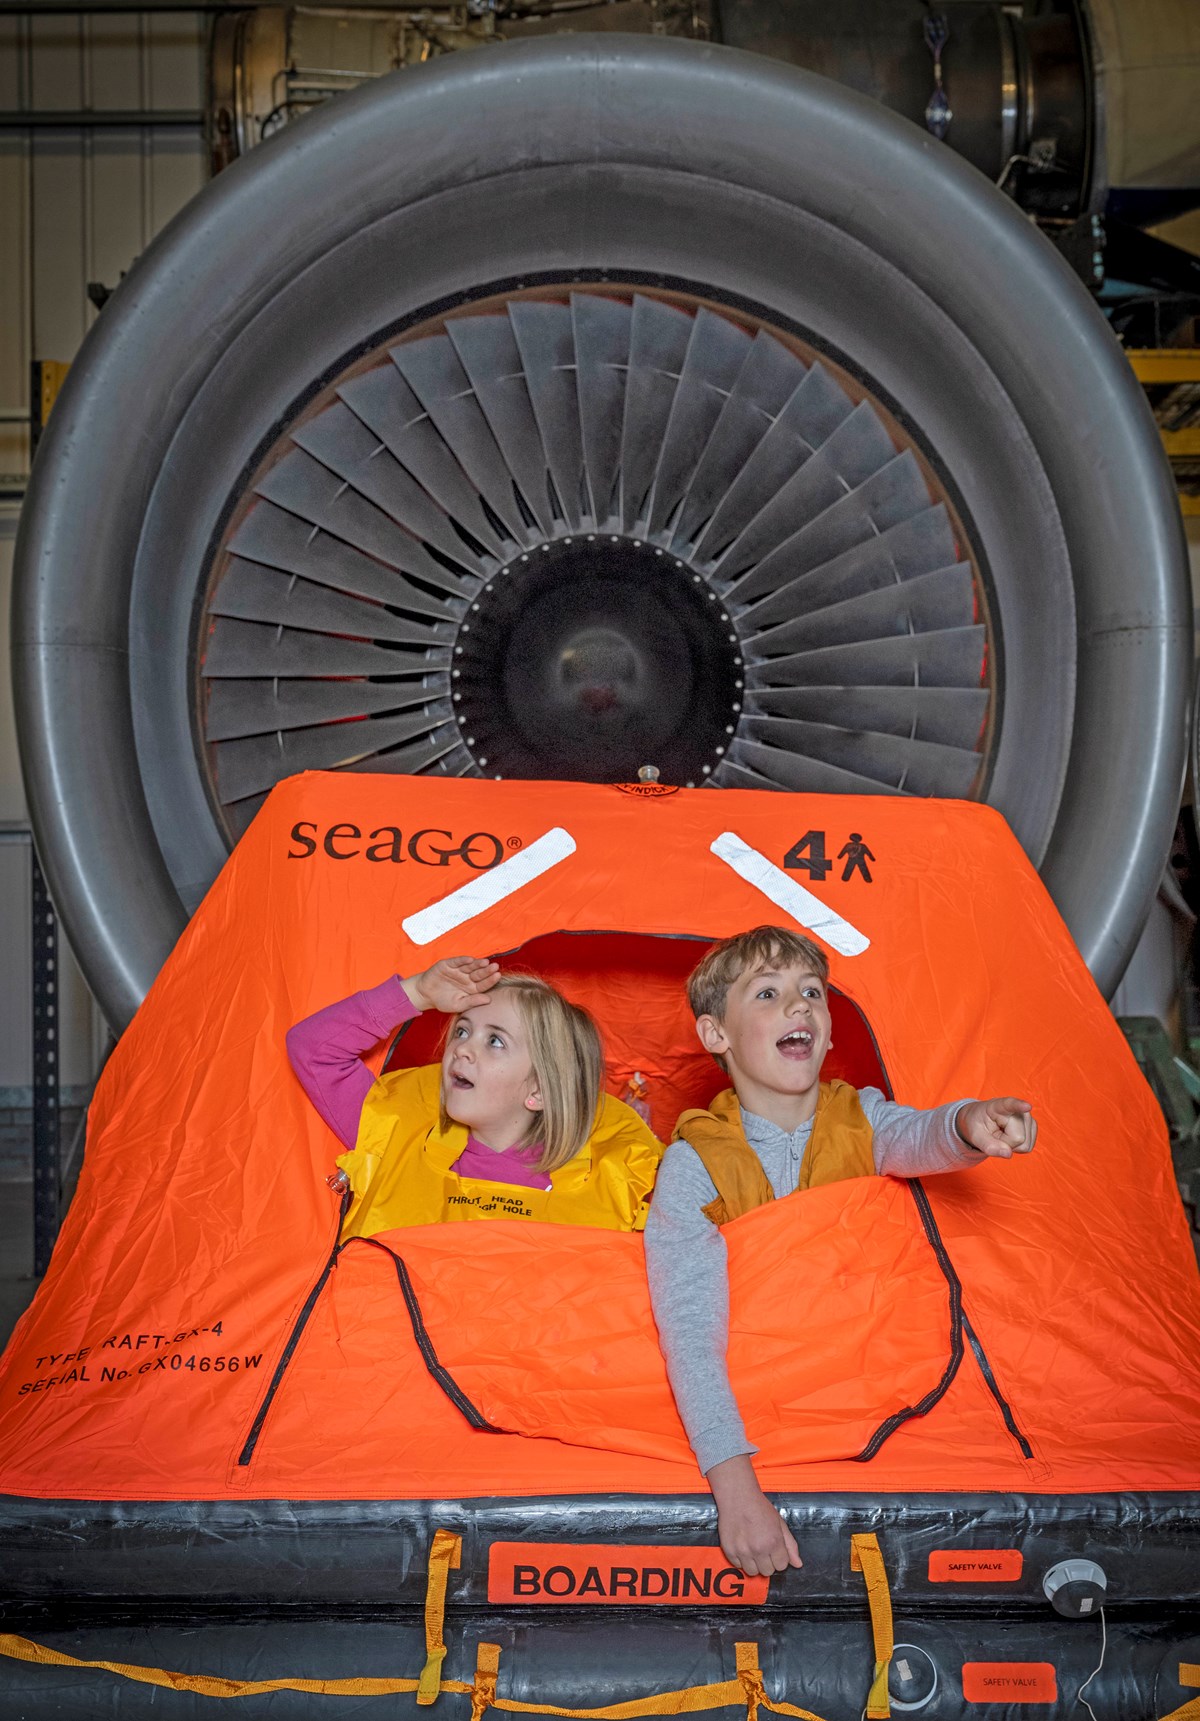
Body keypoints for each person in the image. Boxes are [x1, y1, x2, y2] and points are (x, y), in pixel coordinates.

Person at [643, 925, 1037, 1577]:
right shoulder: (695, 1164)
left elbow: (916, 1134)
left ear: (826, 1029)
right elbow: (689, 1330)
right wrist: (735, 1490)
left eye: (813, 992)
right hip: (761, 1391)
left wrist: (969, 1123)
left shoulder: (861, 1119)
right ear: (717, 1034)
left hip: (862, 1386)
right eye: (768, 993)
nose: (799, 1005)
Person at [287, 956, 661, 1234]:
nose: (462, 1049)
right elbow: (313, 1048)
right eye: (463, 1031)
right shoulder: (396, 1135)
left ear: (538, 1091)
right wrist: (418, 992)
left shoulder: (612, 1177)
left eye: (495, 1041)